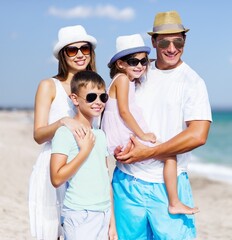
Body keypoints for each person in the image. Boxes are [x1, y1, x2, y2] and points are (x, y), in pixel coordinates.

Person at [112, 10, 212, 239]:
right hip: (127, 183)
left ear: (184, 41)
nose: (171, 47)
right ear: (154, 41)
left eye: (178, 41)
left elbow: (198, 135)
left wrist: (147, 153)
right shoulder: (137, 72)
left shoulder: (193, 82)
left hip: (168, 186)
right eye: (165, 41)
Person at [101, 33, 199, 218]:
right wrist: (143, 134)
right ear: (120, 64)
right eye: (133, 61)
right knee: (169, 155)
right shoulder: (122, 80)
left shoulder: (127, 79)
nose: (139, 66)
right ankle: (174, 203)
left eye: (143, 61)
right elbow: (124, 111)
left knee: (167, 154)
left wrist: (151, 63)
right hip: (123, 135)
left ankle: (173, 202)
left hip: (120, 134)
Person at [28, 25, 97, 239]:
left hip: (85, 166)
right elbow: (39, 135)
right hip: (54, 165)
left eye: (84, 49)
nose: (79, 55)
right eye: (71, 50)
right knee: (52, 232)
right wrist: (63, 122)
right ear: (62, 55)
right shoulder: (49, 86)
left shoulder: (95, 86)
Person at [50, 70, 117, 240]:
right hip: (80, 214)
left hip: (103, 213)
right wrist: (84, 151)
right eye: (91, 97)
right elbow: (56, 179)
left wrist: (112, 224)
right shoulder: (65, 133)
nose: (98, 102)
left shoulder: (100, 135)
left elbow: (105, 178)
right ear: (74, 99)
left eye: (103, 97)